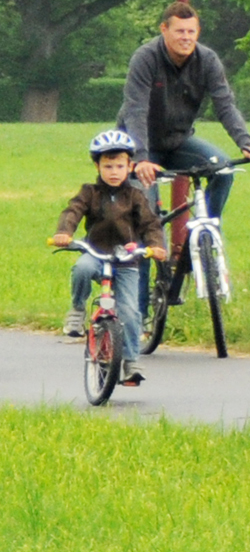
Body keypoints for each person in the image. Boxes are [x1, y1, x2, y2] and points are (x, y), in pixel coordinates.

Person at [118, 1, 250, 226]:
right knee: (147, 220)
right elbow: (135, 110)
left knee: (224, 170)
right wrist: (141, 158)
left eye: (191, 31)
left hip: (178, 141)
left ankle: (207, 232)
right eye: (179, 31)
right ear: (164, 29)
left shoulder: (207, 60)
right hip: (141, 145)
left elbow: (225, 105)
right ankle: (150, 242)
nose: (186, 37)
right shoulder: (145, 58)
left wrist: (246, 143)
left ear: (198, 32)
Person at [51, 131, 166, 377]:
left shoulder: (135, 196)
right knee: (81, 268)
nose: (114, 172)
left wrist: (156, 246)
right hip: (96, 253)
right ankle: (77, 309)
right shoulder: (89, 192)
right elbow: (73, 211)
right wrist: (64, 233)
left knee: (130, 312)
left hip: (126, 260)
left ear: (130, 167)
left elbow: (150, 224)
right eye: (108, 166)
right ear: (97, 166)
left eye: (120, 166)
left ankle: (131, 362)